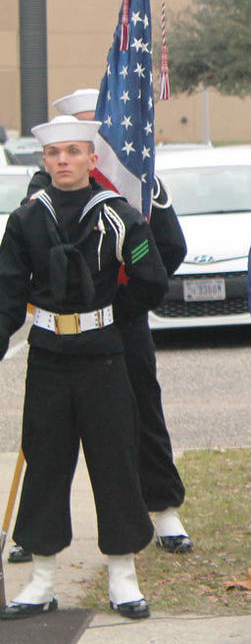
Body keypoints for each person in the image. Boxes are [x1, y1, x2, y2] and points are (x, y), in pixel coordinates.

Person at [6, 89, 192, 568]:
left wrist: (121, 299)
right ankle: (37, 531)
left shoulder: (138, 177)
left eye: (99, 125)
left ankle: (164, 508)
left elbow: (170, 246)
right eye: (85, 123)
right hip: (62, 332)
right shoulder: (40, 188)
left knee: (143, 414)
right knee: (49, 432)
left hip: (121, 319)